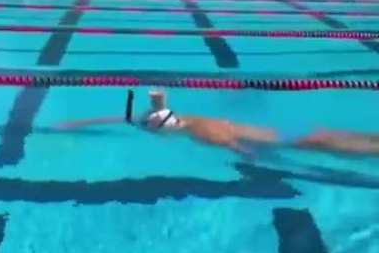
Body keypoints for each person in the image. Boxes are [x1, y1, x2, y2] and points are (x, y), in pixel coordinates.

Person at [58, 88, 379, 157]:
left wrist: (247, 155)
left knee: (325, 143)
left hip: (272, 139)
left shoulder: (196, 130)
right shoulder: (187, 120)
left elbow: (226, 140)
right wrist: (77, 123)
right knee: (326, 135)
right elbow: (128, 117)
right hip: (271, 132)